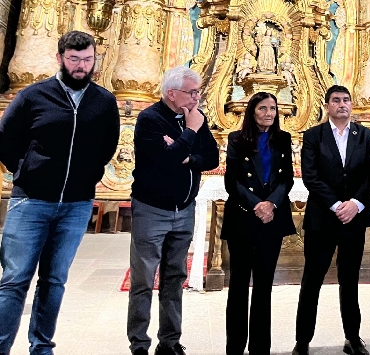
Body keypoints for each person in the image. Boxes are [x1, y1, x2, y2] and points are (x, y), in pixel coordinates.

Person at [0, 30, 120, 354]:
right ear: (60, 59)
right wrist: (24, 170)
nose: (81, 66)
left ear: (95, 59)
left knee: (54, 282)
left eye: (87, 59)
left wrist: (89, 176)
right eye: (74, 59)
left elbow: (108, 146)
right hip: (31, 201)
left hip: (76, 205)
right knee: (14, 280)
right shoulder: (33, 96)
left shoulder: (104, 102)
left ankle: (41, 347)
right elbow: (5, 137)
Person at [127, 66, 219, 355]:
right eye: (192, 92)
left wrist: (186, 153)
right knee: (143, 279)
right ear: (172, 93)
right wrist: (190, 133)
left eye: (198, 91)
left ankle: (169, 342)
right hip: (152, 210)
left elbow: (212, 158)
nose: (197, 97)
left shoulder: (196, 118)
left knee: (174, 278)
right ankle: (139, 344)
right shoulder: (150, 119)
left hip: (184, 210)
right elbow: (165, 162)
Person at [292, 85, 370, 355]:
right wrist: (336, 204)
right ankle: (302, 341)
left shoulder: (364, 134)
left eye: (346, 100)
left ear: (351, 105)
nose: (342, 104)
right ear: (327, 105)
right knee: (312, 280)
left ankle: (353, 338)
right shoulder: (314, 135)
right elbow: (310, 175)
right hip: (322, 219)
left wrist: (356, 204)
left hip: (354, 219)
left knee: (350, 280)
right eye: (336, 100)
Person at [221, 92, 296, 355]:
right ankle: (235, 347)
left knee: (264, 286)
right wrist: (256, 204)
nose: (269, 113)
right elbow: (232, 182)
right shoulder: (236, 139)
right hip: (243, 217)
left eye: (273, 108)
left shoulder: (283, 139)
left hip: (271, 219)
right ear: (252, 111)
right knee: (239, 285)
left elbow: (287, 179)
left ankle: (260, 348)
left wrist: (271, 204)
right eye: (263, 108)